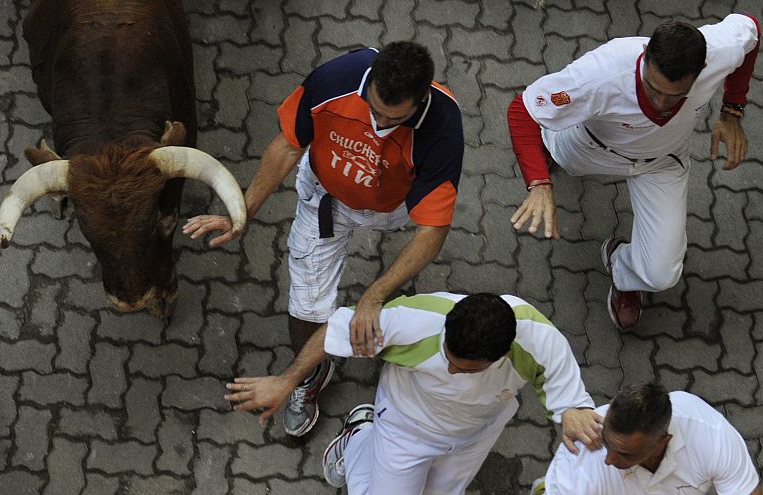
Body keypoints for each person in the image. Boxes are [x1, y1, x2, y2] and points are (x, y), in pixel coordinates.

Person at [183, 41, 464, 436]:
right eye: (373, 110)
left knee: (393, 279)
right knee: (306, 307)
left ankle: (393, 288)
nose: (379, 125)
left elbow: (431, 229)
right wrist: (242, 212)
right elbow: (287, 145)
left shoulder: (444, 125)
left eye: (393, 119)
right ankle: (311, 375)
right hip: (325, 199)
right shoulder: (335, 79)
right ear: (370, 80)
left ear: (421, 100)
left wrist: (374, 294)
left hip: (393, 208)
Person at [507, 14, 760, 330]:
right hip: (590, 148)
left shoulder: (719, 51)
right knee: (553, 147)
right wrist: (539, 183)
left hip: (662, 161)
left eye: (674, 95)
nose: (661, 102)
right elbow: (523, 110)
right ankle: (551, 140)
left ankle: (623, 270)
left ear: (702, 70)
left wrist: (732, 111)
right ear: (645, 55)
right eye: (653, 88)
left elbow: (751, 29)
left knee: (661, 274)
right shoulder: (604, 71)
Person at [226, 292, 603, 494]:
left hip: (473, 437)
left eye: (465, 370)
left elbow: (568, 396)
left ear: (502, 355)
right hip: (405, 428)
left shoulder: (539, 339)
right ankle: (359, 438)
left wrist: (572, 411)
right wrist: (286, 382)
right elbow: (335, 330)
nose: (452, 371)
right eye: (448, 360)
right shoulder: (415, 321)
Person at [532, 382, 761, 495]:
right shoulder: (579, 462)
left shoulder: (712, 437)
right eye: (608, 442)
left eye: (625, 454)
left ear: (662, 442)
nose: (609, 459)